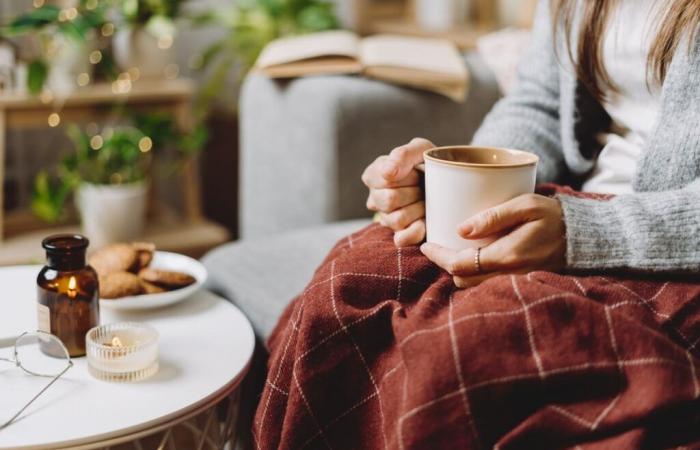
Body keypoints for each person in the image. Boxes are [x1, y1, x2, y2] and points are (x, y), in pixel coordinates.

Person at [362, 0, 700, 288]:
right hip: (571, 211)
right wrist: (462, 183)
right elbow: (543, 102)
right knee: (359, 272)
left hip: (662, 251)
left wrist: (580, 235)